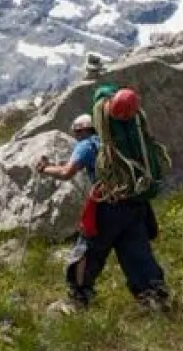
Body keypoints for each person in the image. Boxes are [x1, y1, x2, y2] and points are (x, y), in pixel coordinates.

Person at [39, 95, 170, 312]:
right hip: (136, 204)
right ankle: (154, 296)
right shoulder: (121, 143)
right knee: (136, 251)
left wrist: (45, 169)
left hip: (107, 206)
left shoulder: (87, 145)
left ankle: (78, 298)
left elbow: (66, 173)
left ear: (81, 131)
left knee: (89, 251)